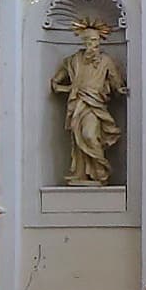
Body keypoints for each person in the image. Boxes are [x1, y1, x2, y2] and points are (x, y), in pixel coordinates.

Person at [52, 13, 125, 186]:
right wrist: (70, 89)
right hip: (78, 103)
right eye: (88, 41)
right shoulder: (72, 61)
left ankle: (100, 171)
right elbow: (55, 83)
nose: (92, 45)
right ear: (83, 42)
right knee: (79, 140)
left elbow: (116, 82)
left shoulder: (106, 61)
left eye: (95, 41)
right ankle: (82, 174)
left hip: (96, 104)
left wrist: (120, 89)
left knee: (90, 135)